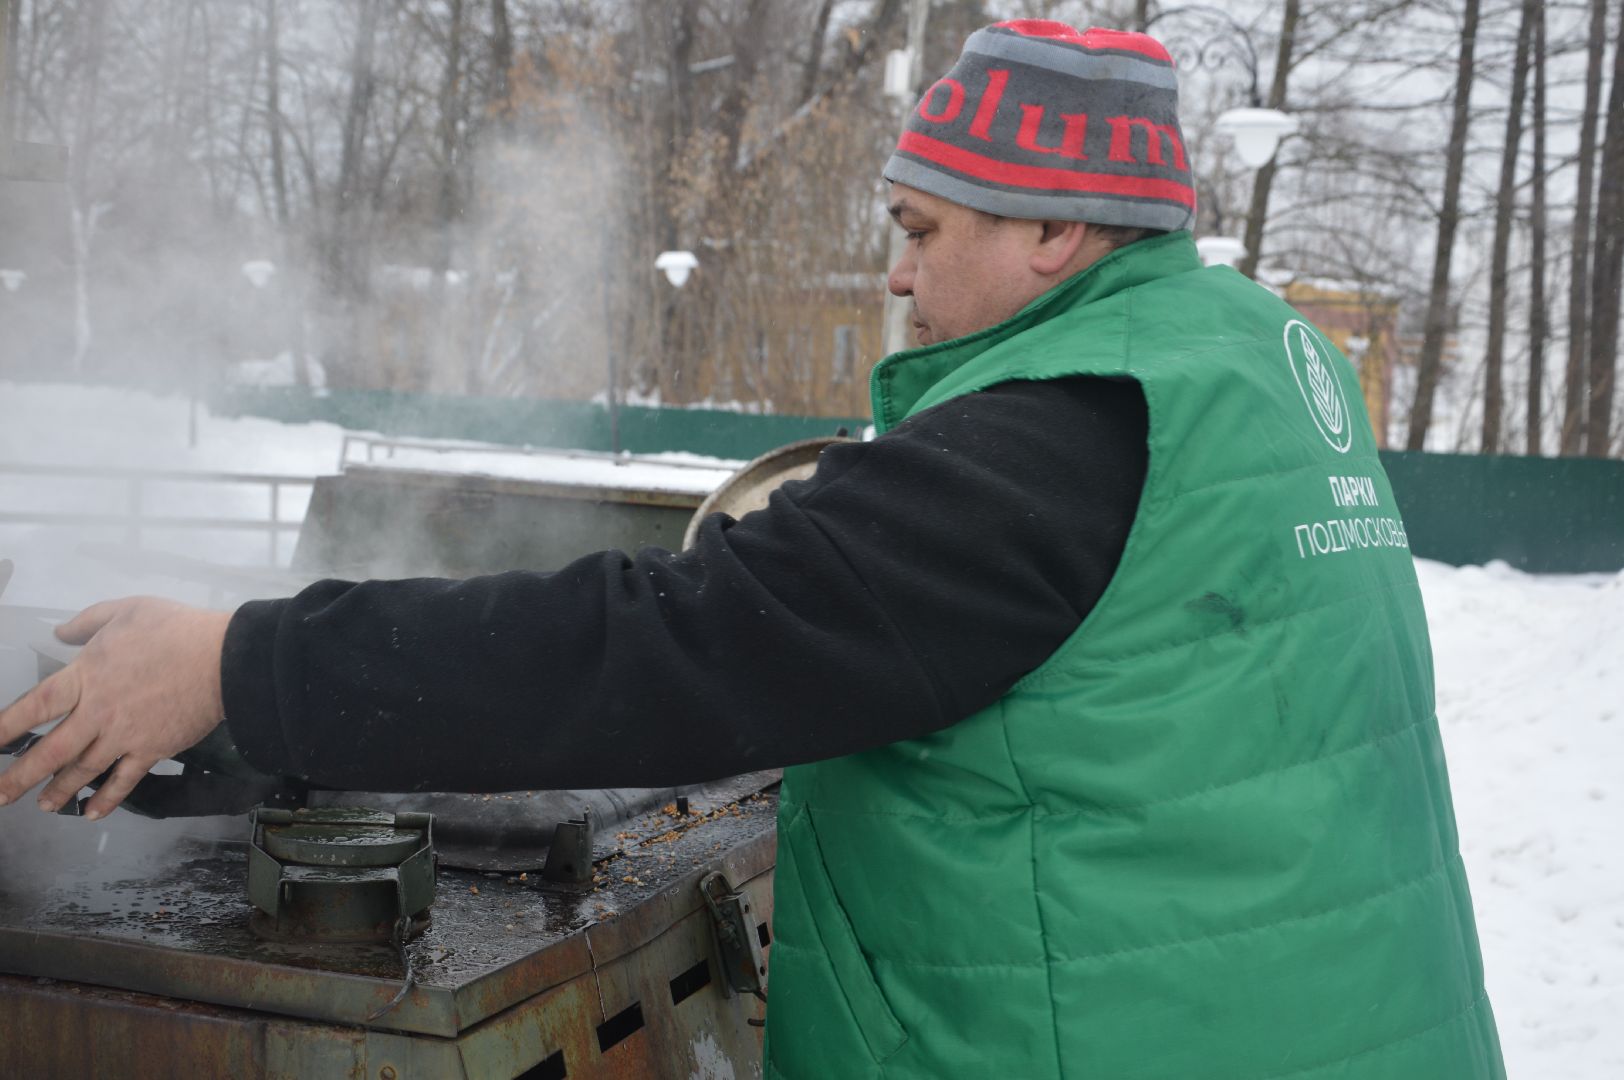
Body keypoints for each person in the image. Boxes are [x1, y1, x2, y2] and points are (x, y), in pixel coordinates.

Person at [0, 20, 1504, 1079]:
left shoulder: (1057, 431)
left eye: (923, 229)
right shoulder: (1245, 358)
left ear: (1052, 232)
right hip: (1316, 1014)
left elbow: (676, 639)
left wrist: (239, 661)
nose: (898, 276)